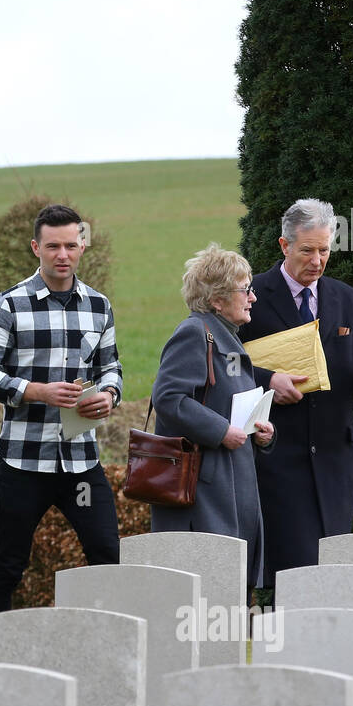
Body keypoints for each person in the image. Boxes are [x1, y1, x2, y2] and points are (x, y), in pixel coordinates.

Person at [0, 204, 122, 640]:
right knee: (10, 560)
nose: (62, 254)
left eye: (71, 245)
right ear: (36, 247)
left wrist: (109, 396)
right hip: (23, 460)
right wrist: (37, 391)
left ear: (82, 246)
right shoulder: (6, 305)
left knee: (107, 554)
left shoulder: (99, 305)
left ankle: (111, 645)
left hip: (81, 460)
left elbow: (112, 367)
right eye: (53, 245)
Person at [237, 198, 353, 587]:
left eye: (324, 250)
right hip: (275, 458)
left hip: (334, 459)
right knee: (290, 571)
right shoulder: (250, 296)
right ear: (283, 245)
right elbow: (227, 368)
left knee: (331, 571)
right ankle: (282, 643)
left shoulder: (349, 300)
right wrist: (268, 379)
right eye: (307, 250)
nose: (317, 260)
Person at [150, 244, 275, 587]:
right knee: (208, 587)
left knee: (229, 586)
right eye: (244, 290)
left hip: (233, 479)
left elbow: (229, 404)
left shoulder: (226, 336)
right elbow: (168, 397)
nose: (252, 298)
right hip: (204, 485)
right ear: (217, 299)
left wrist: (262, 433)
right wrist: (221, 430)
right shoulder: (194, 333)